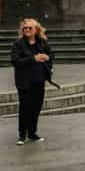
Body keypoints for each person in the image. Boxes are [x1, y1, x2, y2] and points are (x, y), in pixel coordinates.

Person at [10, 17, 52, 146]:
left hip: (39, 80)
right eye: (25, 28)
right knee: (25, 108)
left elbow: (51, 55)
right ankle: (22, 135)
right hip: (24, 82)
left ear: (36, 30)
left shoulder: (42, 42)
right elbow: (15, 61)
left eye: (30, 28)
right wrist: (33, 59)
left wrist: (47, 58)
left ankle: (32, 133)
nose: (27, 30)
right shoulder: (18, 44)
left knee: (36, 108)